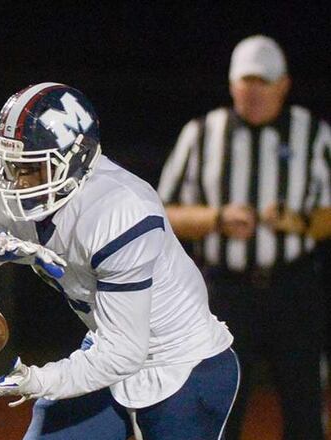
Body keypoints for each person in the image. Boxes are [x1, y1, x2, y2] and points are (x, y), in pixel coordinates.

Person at [0, 82, 238, 439]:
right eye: (11, 165)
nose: (17, 181)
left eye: (33, 168)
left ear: (78, 159)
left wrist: (38, 379)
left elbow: (124, 353)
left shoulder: (122, 212)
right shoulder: (6, 185)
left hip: (183, 364)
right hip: (105, 343)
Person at [158, 35, 331, 440]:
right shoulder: (201, 133)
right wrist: (216, 218)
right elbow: (162, 214)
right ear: (232, 83)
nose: (253, 92)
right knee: (218, 409)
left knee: (304, 409)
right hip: (224, 293)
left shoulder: (314, 134)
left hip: (294, 289)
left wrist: (301, 223)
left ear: (284, 84)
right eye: (245, 81)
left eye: (263, 82)